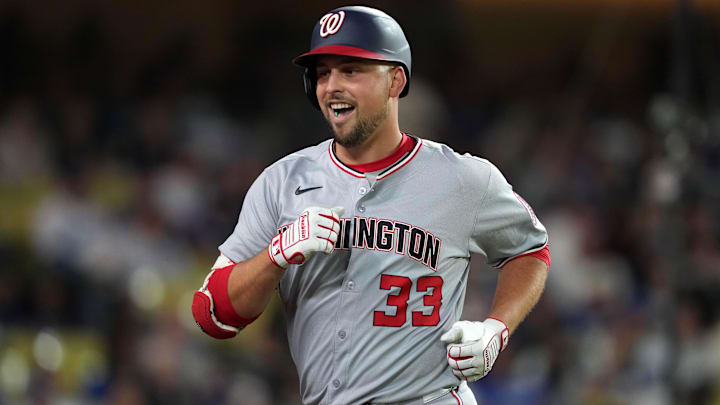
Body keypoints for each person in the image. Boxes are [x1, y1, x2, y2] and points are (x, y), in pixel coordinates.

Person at [192, 5, 550, 405]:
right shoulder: (281, 182)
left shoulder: (463, 178)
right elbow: (213, 314)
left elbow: (530, 249)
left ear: (396, 80)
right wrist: (274, 256)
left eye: (351, 70)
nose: (332, 86)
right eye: (323, 73)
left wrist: (495, 330)